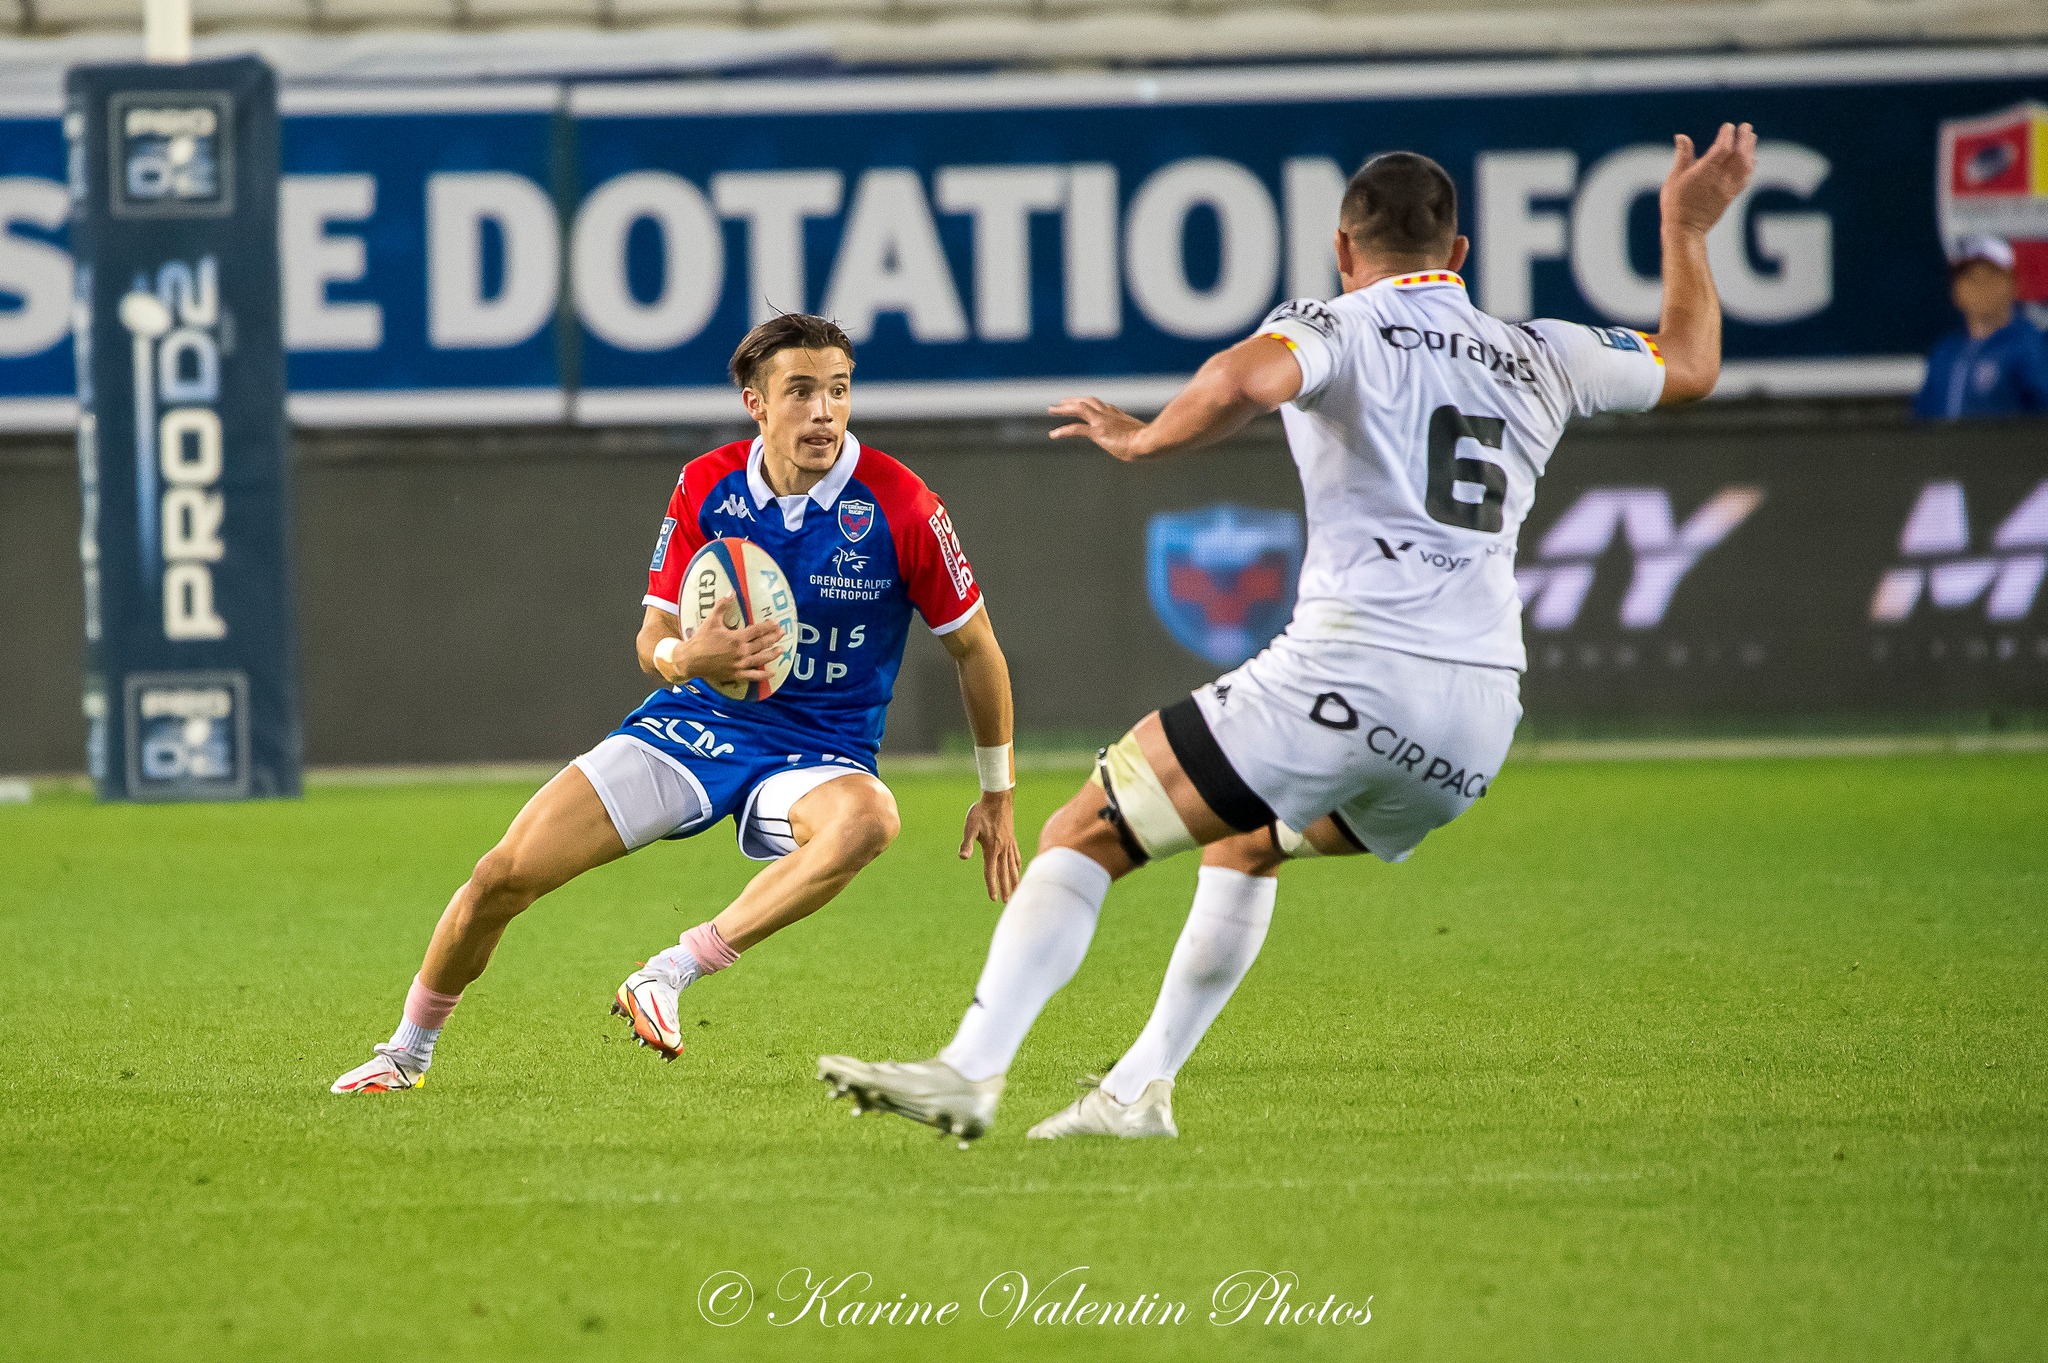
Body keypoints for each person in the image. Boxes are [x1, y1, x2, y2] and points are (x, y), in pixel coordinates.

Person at [818, 125, 1759, 1143]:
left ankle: (969, 1069)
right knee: (1247, 842)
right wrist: (1683, 229)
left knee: (1083, 828)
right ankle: (1137, 1093)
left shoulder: (1335, 323)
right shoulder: (1542, 350)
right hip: (1478, 718)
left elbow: (1238, 380)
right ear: (1457, 256)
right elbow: (1691, 363)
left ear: (1343, 251)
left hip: (1351, 672)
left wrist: (1143, 439)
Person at [332, 313, 1022, 1094]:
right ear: (755, 402)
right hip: (694, 727)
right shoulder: (706, 483)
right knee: (502, 874)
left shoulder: (902, 506)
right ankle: (405, 1051)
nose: (824, 412)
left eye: (838, 390)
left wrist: (996, 793)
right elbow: (652, 636)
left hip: (820, 750)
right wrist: (684, 658)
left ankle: (669, 971)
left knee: (871, 819)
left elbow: (977, 649)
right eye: (800, 391)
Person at [1913, 234, 2048, 421]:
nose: (1981, 288)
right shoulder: (1945, 352)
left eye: (1991, 277)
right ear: (1956, 290)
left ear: (2013, 283)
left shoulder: (2029, 345)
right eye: (1971, 279)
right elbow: (1920, 422)